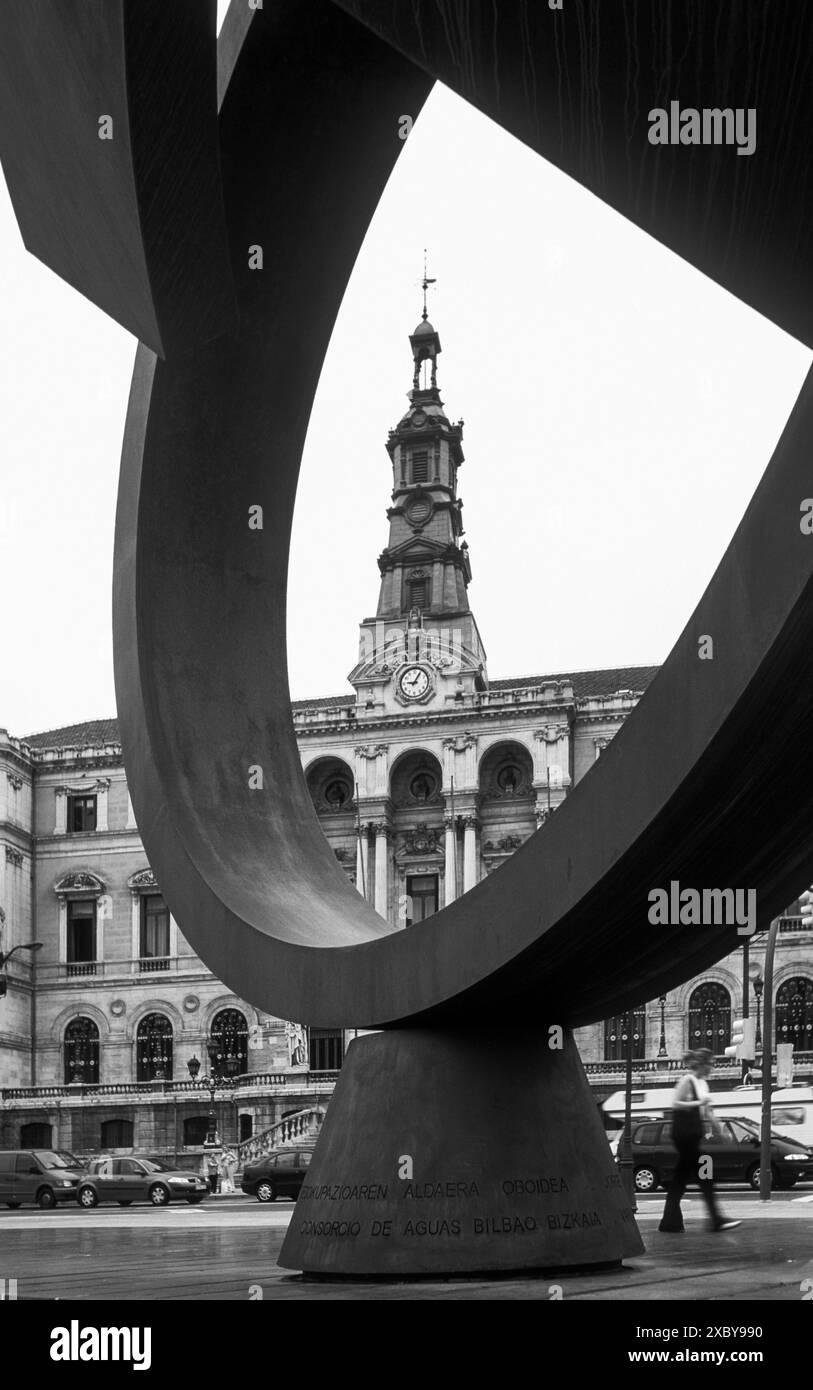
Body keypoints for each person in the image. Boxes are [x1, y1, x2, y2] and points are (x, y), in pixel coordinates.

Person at [658, 1048, 741, 1234]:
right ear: (702, 1064)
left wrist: (722, 1131)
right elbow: (676, 1104)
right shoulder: (687, 1080)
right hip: (684, 1135)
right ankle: (716, 1219)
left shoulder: (703, 1084)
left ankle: (670, 1222)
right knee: (705, 1173)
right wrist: (697, 1104)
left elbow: (709, 1111)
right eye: (710, 1063)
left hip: (693, 1135)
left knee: (680, 1179)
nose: (712, 1067)